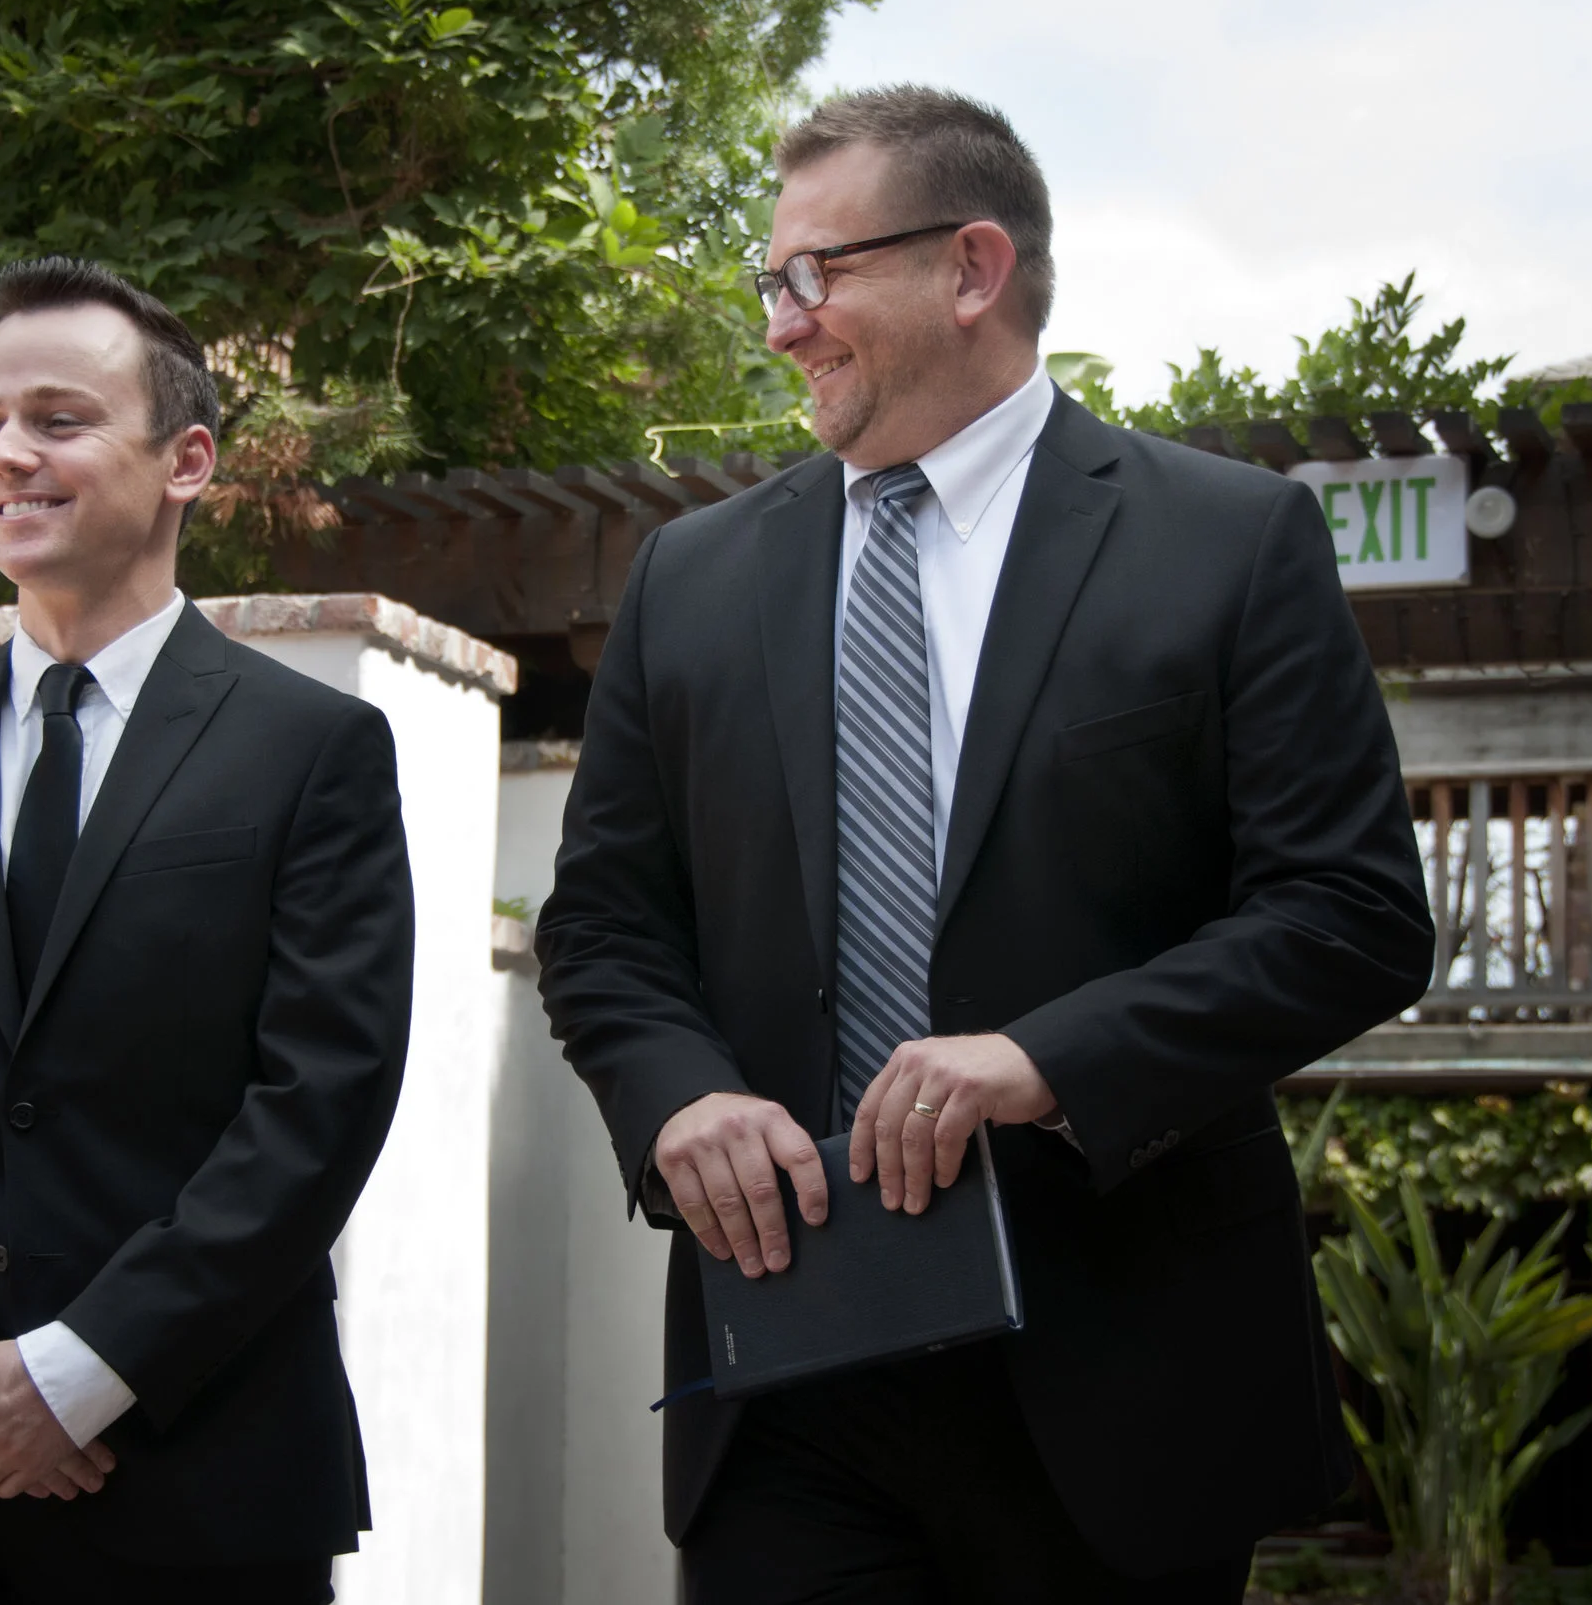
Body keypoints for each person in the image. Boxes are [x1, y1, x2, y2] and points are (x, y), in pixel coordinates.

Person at [535, 87, 1434, 1603]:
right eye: (771, 281)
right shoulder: (689, 577)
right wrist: (677, 1098)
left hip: (1122, 1378)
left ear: (971, 267)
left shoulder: (1226, 542)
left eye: (816, 274)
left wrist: (1045, 1060)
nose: (781, 325)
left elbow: (1349, 914)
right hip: (787, 1377)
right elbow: (605, 925)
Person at [0, 255, 413, 1603]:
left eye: (58, 420)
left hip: (199, 1478)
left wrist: (78, 1374)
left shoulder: (311, 751)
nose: (8, 455)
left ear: (186, 461)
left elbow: (319, 1101)